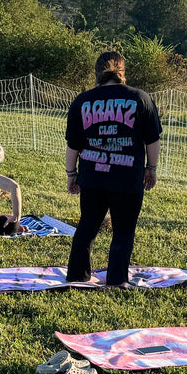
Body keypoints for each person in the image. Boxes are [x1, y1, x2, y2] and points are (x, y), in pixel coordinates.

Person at [64, 50, 162, 287]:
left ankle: (77, 275)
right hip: (128, 178)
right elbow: (152, 141)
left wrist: (71, 174)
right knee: (123, 231)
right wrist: (151, 168)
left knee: (87, 227)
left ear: (97, 73)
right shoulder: (141, 98)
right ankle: (117, 280)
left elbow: (73, 145)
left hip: (93, 178)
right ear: (122, 72)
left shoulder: (82, 101)